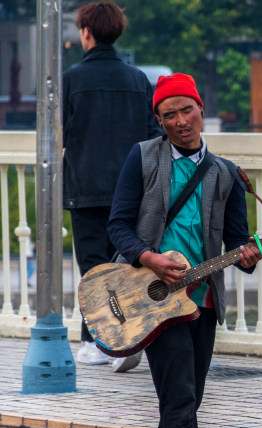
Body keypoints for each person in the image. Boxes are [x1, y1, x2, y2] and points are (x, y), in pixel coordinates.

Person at [107, 72, 262, 428]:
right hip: (150, 299)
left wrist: (249, 255)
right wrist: (149, 257)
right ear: (157, 119)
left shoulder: (226, 173)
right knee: (178, 398)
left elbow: (239, 242)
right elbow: (117, 225)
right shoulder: (143, 158)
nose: (179, 121)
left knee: (185, 401)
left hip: (202, 300)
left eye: (186, 110)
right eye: (168, 114)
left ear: (200, 109)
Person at [62, 1, 162, 371]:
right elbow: (153, 137)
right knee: (128, 265)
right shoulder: (137, 80)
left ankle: (98, 342)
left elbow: (59, 134)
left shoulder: (71, 79)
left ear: (86, 32)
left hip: (85, 189)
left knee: (93, 269)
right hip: (130, 190)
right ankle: (127, 336)